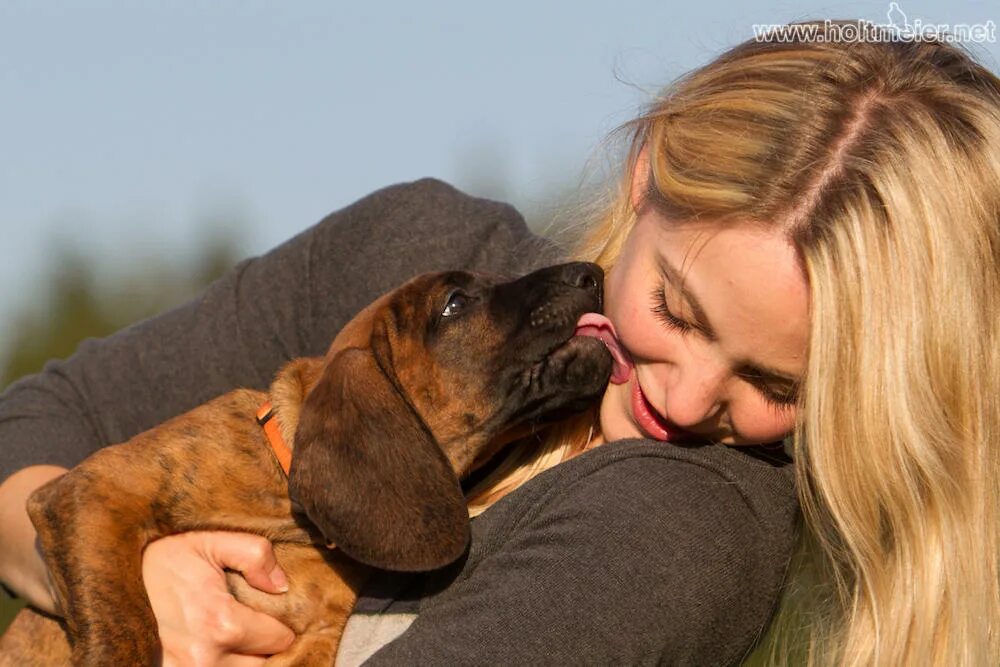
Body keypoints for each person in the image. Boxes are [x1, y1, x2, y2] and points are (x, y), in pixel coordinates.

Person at [1, 19, 998, 665]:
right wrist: (121, 590)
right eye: (679, 310)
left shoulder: (684, 521)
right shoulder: (414, 270)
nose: (687, 403)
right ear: (645, 172)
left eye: (775, 380)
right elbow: (31, 427)